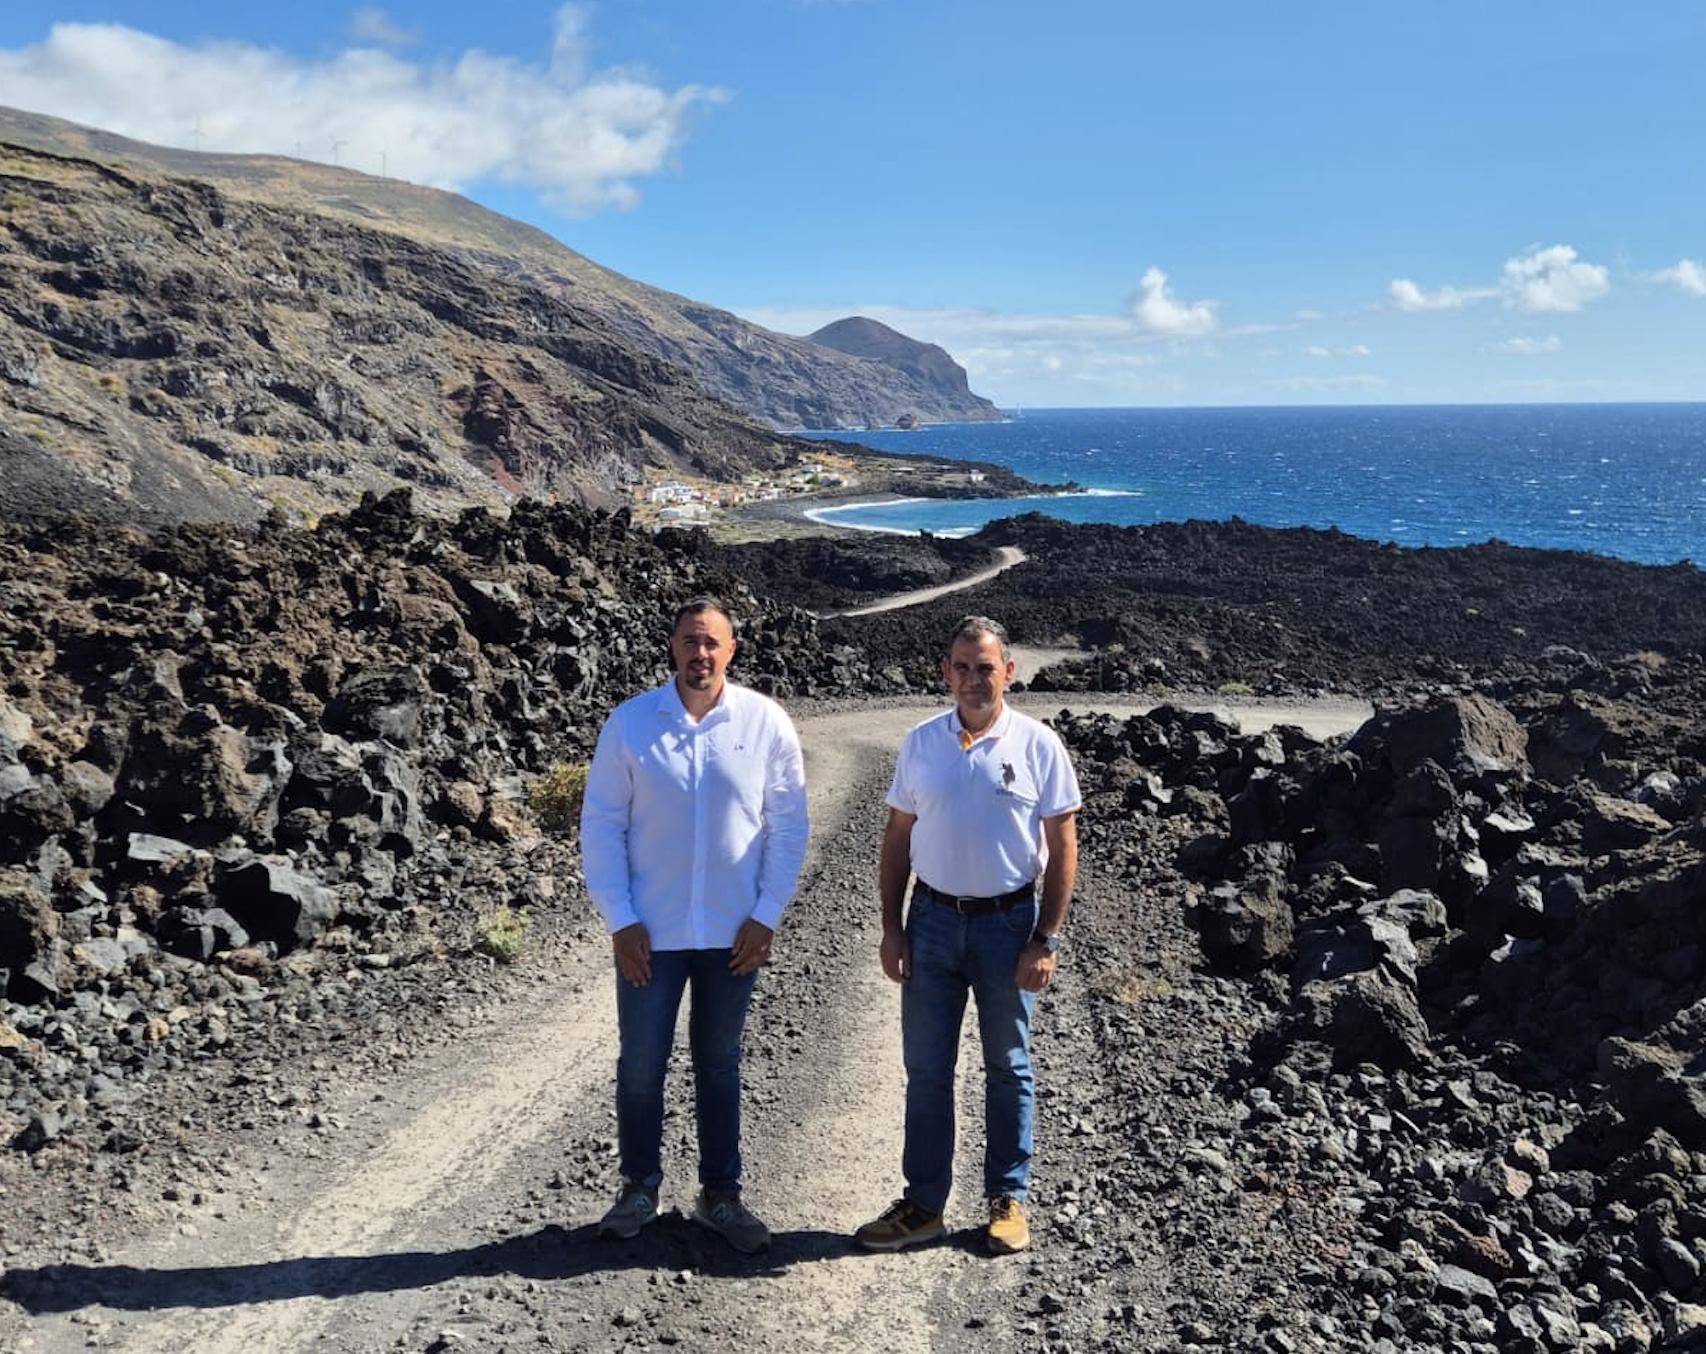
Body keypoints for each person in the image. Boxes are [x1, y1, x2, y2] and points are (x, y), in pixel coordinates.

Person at [579, 597, 809, 1254]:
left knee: (719, 1064)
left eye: (712, 643)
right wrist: (620, 919)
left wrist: (766, 915)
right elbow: (602, 824)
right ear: (672, 648)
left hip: (734, 934)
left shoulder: (765, 723)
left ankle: (721, 1196)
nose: (700, 654)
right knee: (641, 1065)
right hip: (651, 931)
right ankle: (638, 1189)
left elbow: (789, 826)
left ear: (731, 651)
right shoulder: (631, 724)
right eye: (689, 641)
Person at [855, 615, 1081, 1257]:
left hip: (1008, 927)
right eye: (961, 666)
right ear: (945, 672)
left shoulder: (1039, 745)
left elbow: (1063, 845)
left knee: (1009, 1068)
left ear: (1009, 672)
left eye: (985, 667)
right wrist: (891, 930)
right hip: (929, 924)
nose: (973, 678)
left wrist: (1046, 939)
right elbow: (897, 838)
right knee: (927, 1069)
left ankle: (1008, 1199)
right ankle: (923, 1204)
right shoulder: (921, 743)